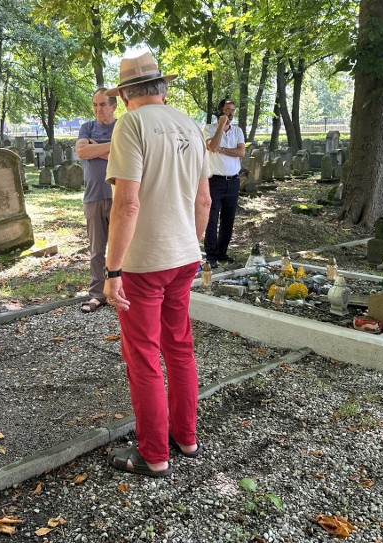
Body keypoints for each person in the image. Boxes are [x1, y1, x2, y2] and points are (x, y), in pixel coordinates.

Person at [103, 51, 211, 477]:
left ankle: (153, 454)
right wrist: (192, 243)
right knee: (180, 348)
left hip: (146, 262)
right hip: (184, 255)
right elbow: (203, 200)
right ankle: (186, 437)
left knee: (144, 356)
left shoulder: (130, 125)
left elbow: (127, 203)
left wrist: (112, 272)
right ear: (161, 89)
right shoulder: (190, 125)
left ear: (126, 95)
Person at [75, 88, 118, 313]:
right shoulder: (87, 127)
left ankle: (121, 291)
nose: (98, 109)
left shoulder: (122, 127)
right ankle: (96, 294)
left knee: (122, 249)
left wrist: (95, 148)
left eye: (102, 104)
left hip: (118, 197)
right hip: (92, 197)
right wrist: (110, 149)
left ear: (114, 106)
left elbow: (125, 154)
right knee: (96, 251)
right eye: (94, 104)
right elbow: (81, 152)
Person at [203, 98, 245, 267]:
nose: (231, 113)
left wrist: (223, 150)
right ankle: (211, 256)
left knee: (228, 219)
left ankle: (222, 253)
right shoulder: (209, 129)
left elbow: (241, 152)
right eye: (228, 109)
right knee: (212, 219)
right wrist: (221, 126)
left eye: (233, 110)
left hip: (233, 181)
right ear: (220, 111)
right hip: (215, 181)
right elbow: (212, 147)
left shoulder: (237, 131)